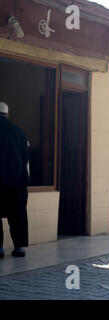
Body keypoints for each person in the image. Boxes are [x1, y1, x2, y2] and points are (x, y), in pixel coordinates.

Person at [0, 102, 29, 258]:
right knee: (17, 215)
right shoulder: (20, 132)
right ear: (7, 113)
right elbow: (25, 160)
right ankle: (19, 248)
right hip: (16, 182)